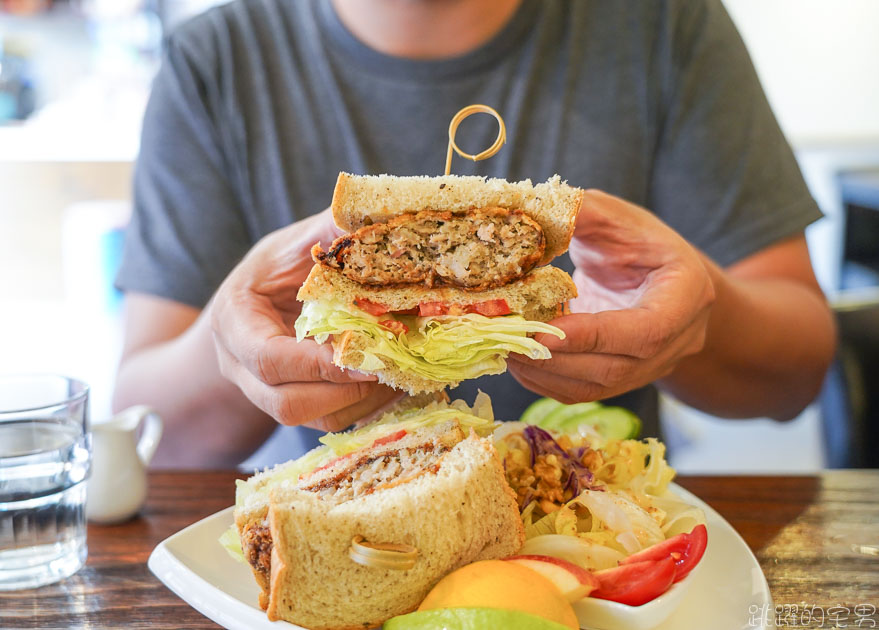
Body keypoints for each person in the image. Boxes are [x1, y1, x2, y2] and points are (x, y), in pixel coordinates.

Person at [113, 0, 836, 468]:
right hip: (332, 508)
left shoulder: (665, 25)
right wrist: (239, 330)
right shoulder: (214, 61)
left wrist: (700, 311)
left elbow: (798, 371)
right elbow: (148, 433)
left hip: (587, 523)